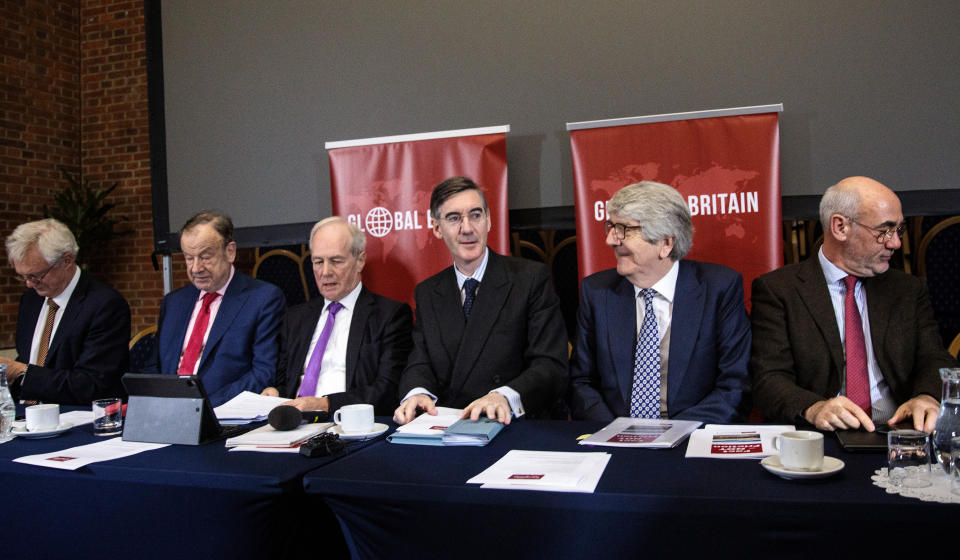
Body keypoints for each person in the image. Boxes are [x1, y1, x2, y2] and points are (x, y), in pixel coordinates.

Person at [751, 176, 956, 433]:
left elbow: (934, 358)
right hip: (822, 436)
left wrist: (927, 396)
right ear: (840, 227)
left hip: (897, 432)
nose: (895, 243)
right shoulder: (779, 291)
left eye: (899, 230)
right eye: (884, 231)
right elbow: (768, 378)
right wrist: (814, 407)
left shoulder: (906, 290)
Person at [569, 181, 751, 423]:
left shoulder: (719, 289)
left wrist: (672, 434)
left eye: (625, 229)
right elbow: (581, 383)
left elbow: (735, 386)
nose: (611, 240)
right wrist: (616, 433)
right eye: (611, 226)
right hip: (614, 436)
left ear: (666, 243)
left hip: (691, 438)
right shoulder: (597, 292)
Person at [393, 176, 568, 425]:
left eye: (475, 215)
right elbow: (420, 360)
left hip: (513, 425)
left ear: (488, 220)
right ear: (436, 227)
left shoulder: (529, 279)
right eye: (454, 219)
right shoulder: (428, 292)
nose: (467, 228)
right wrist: (417, 392)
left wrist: (503, 397)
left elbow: (551, 366)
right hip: (448, 426)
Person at [263, 217, 412, 416]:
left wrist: (325, 404)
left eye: (336, 261)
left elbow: (387, 391)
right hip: (292, 422)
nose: (325, 272)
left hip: (346, 425)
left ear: (360, 261)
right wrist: (274, 392)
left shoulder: (389, 315)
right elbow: (283, 383)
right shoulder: (295, 318)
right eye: (318, 262)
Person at [152, 211, 285, 407]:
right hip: (167, 415)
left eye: (205, 257)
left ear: (230, 252)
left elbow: (263, 374)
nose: (196, 268)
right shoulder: (173, 303)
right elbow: (152, 367)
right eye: (189, 258)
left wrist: (202, 407)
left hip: (222, 415)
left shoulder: (263, 299)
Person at [3, 218, 130, 405]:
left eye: (36, 275)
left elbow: (91, 384)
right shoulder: (31, 300)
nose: (29, 284)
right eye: (23, 276)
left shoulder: (105, 305)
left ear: (66, 261)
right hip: (26, 418)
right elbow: (30, 359)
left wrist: (21, 372)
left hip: (77, 418)